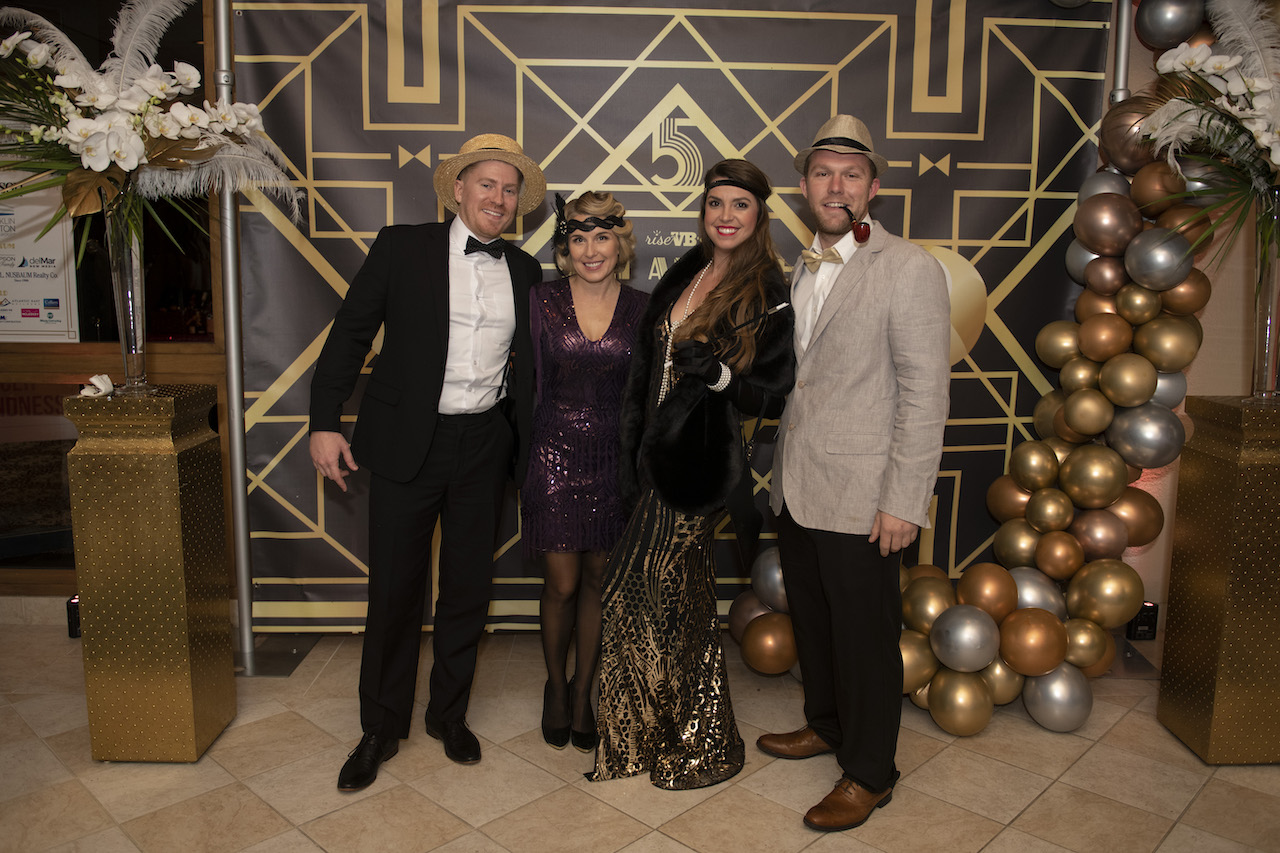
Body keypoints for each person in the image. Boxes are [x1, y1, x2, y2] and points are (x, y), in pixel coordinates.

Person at [309, 133, 546, 791]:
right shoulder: (402, 247)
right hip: (406, 441)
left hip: (485, 445)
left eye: (509, 189)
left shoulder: (526, 270)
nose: (499, 197)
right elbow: (350, 333)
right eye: (487, 184)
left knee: (467, 589)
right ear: (459, 189)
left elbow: (531, 373)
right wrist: (324, 421)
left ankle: (449, 715)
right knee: (394, 591)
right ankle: (380, 727)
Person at [760, 115, 950, 831]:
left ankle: (871, 771)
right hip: (800, 484)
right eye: (822, 173)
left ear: (873, 187)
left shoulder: (908, 268)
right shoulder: (804, 265)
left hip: (867, 495)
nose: (834, 186)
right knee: (815, 622)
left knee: (866, 639)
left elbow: (925, 394)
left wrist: (904, 499)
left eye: (850, 174)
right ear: (805, 186)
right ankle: (827, 725)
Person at [592, 159, 796, 790]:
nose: (725, 216)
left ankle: (696, 742)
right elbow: (644, 370)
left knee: (643, 594)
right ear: (702, 210)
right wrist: (631, 450)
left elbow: (774, 398)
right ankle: (654, 740)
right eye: (715, 203)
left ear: (759, 215)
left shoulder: (768, 292)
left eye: (740, 204)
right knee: (675, 602)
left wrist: (721, 375)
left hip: (697, 468)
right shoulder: (688, 270)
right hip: (648, 461)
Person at [522, 191, 647, 752]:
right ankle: (555, 685)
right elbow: (522, 383)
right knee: (563, 583)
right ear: (565, 248)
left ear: (621, 244)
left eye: (602, 237)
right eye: (578, 238)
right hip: (551, 455)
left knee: (598, 580)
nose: (591, 250)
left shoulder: (645, 308)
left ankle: (582, 693)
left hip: (612, 463)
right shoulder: (540, 300)